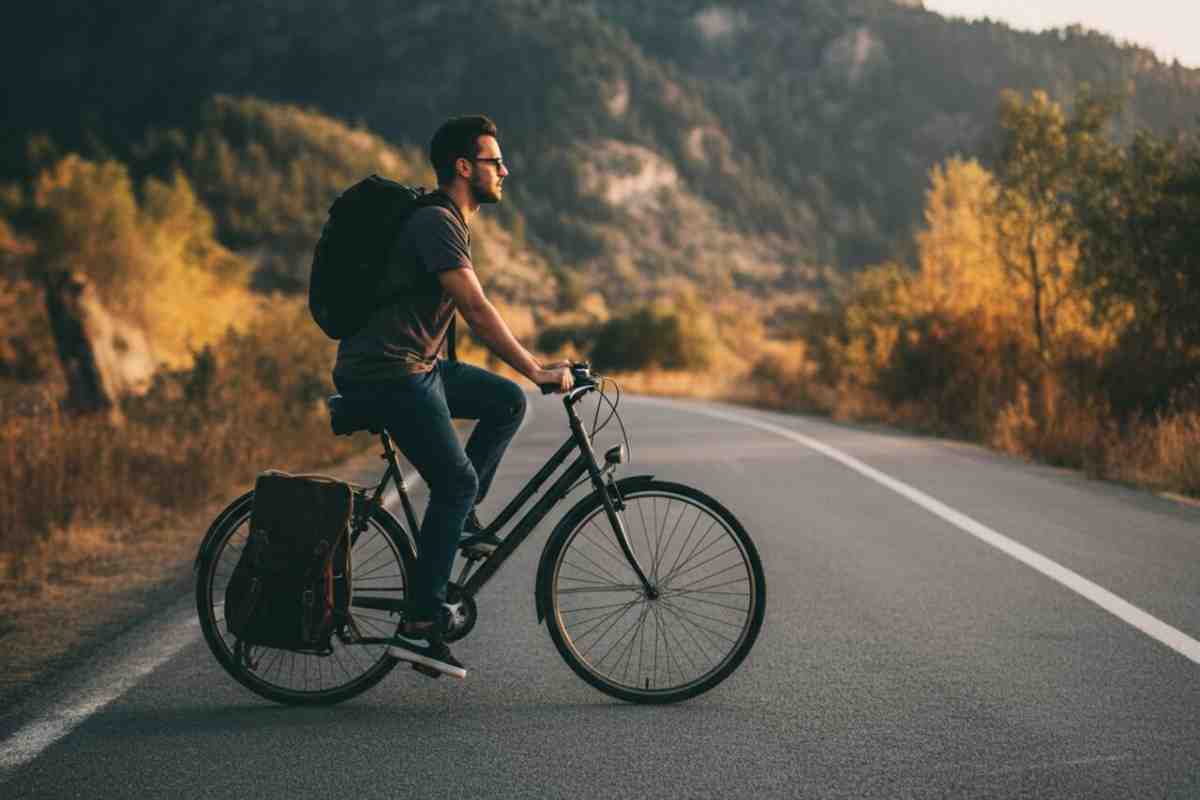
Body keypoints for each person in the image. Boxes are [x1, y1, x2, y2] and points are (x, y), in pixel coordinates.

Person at [332, 115, 573, 679]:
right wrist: (537, 367)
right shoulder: (437, 222)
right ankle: (419, 623)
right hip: (386, 372)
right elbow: (477, 310)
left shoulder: (449, 221)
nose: (505, 171)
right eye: (495, 161)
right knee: (458, 480)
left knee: (507, 402)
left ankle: (457, 523)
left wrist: (531, 375)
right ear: (464, 167)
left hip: (417, 366)